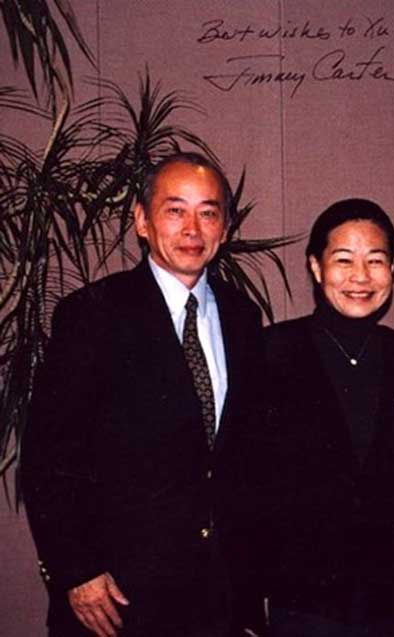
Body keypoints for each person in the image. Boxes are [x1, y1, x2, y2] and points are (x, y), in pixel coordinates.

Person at [22, 153, 267, 636]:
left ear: (225, 228)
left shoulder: (244, 316)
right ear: (142, 219)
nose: (192, 228)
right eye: (175, 210)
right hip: (118, 597)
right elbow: (47, 457)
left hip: (217, 597)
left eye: (209, 212)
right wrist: (77, 571)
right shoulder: (92, 315)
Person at [259, 199, 394, 637]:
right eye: (343, 260)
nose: (360, 277)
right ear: (315, 266)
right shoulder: (273, 352)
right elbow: (249, 484)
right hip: (303, 600)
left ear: (393, 268)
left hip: (389, 599)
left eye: (375, 261)